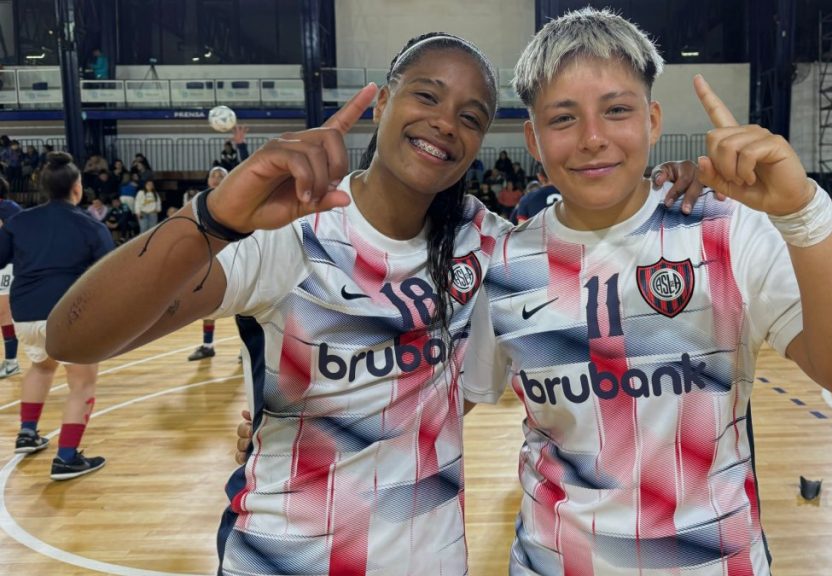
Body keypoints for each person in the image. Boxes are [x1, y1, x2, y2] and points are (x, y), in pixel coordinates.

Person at [50, 31, 705, 573]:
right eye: (427, 96)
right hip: (283, 558)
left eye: (471, 117)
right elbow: (73, 338)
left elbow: (606, 268)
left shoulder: (487, 242)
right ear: (383, 100)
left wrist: (674, 192)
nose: (446, 123)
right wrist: (214, 217)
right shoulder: (295, 232)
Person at [464, 9, 832, 573]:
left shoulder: (724, 229)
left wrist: (802, 214)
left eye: (616, 110)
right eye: (563, 119)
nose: (593, 138)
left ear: (653, 119)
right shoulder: (506, 266)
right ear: (532, 139)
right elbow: (431, 404)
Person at [1, 152, 112, 479]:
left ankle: (27, 432)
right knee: (82, 382)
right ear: (77, 188)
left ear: (43, 188)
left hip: (24, 312)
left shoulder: (19, 221)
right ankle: (66, 457)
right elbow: (108, 273)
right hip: (66, 313)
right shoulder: (90, 225)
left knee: (41, 366)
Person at [187, 166, 229, 361]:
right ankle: (208, 345)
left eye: (221, 175)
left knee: (243, 303)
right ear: (208, 180)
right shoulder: (199, 201)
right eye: (214, 175)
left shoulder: (236, 198)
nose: (217, 178)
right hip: (209, 254)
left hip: (233, 253)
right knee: (209, 302)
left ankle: (243, 348)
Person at [0, 175, 22, 378]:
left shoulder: (9, 208)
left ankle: (11, 362)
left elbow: (23, 233)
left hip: (6, 265)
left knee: (4, 313)